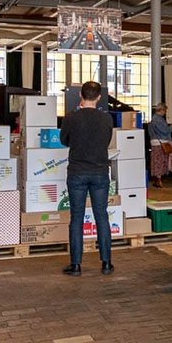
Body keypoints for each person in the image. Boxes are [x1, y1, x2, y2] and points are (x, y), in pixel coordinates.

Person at [59, 80, 114, 276]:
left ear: (80, 96)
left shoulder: (71, 118)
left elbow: (63, 140)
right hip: (99, 172)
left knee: (77, 218)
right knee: (101, 216)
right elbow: (107, 141)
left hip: (77, 172)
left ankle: (76, 265)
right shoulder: (106, 119)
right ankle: (106, 263)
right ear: (99, 97)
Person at [146, 103, 172, 187]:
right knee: (160, 161)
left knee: (156, 161)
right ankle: (159, 180)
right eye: (165, 110)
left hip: (155, 143)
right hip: (161, 143)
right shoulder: (158, 120)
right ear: (161, 110)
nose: (165, 112)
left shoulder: (153, 120)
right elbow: (164, 131)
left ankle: (156, 179)